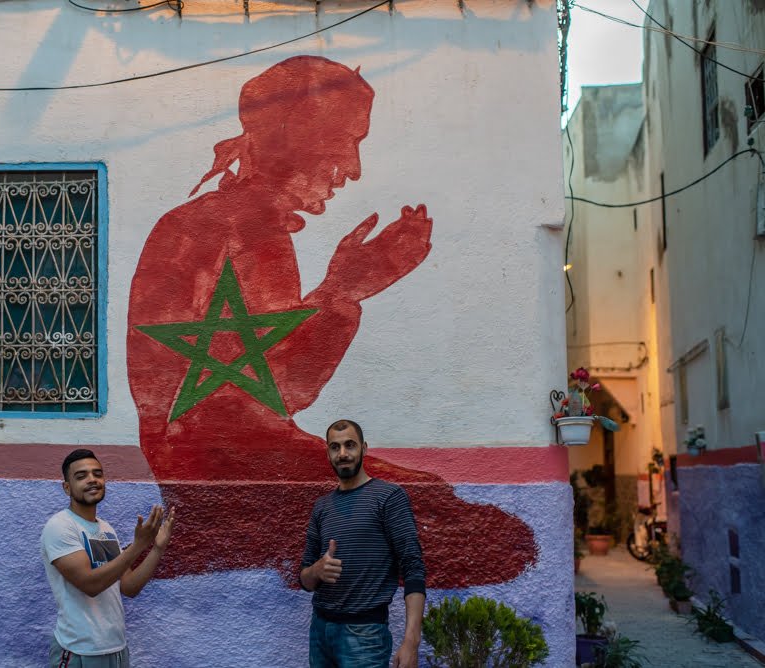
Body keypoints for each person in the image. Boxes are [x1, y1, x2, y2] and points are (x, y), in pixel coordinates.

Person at [126, 55, 536, 588]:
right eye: (346, 141)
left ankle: (249, 548)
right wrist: (345, 290)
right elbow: (280, 389)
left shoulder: (223, 224)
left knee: (439, 506)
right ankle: (236, 546)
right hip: (230, 480)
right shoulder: (242, 231)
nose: (354, 167)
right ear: (296, 137)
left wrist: (343, 290)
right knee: (473, 531)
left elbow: (265, 384)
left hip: (227, 471)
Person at [300, 420, 425, 668]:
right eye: (335, 447)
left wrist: (411, 642)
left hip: (365, 636)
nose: (343, 453)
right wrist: (316, 570)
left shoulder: (389, 497)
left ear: (364, 448)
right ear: (328, 453)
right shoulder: (321, 507)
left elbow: (413, 567)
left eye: (350, 445)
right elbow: (304, 580)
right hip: (320, 632)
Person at [41, 449, 175, 668]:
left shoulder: (106, 529)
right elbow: (90, 584)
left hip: (117, 650)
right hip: (80, 652)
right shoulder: (60, 526)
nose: (92, 480)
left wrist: (156, 549)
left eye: (97, 474)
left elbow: (129, 587)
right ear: (67, 488)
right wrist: (139, 545)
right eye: (81, 476)